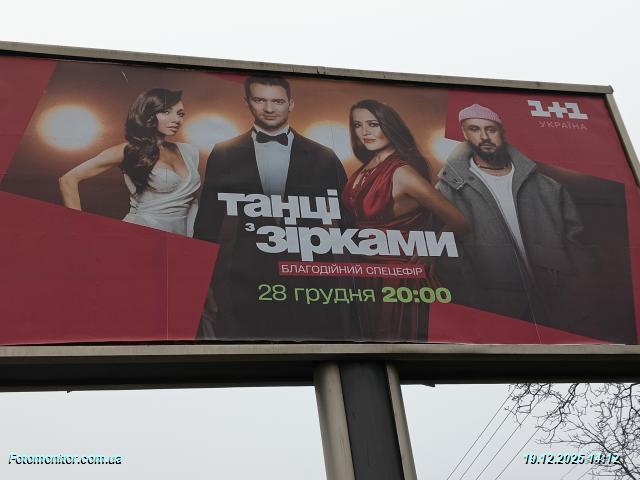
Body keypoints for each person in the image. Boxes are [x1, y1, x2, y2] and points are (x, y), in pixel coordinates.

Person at [194, 75, 349, 340]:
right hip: (246, 276)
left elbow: (349, 221)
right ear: (247, 102)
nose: (269, 108)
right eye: (260, 100)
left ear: (291, 104)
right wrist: (201, 281)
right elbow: (207, 223)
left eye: (277, 101)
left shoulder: (324, 155)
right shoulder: (224, 152)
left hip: (311, 274)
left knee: (318, 346)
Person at [436, 103, 593, 328]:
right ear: (465, 134)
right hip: (494, 309)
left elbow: (578, 248)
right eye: (474, 129)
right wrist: (474, 305)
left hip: (558, 304)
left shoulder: (548, 187)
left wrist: (579, 296)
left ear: (502, 131)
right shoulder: (448, 189)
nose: (484, 136)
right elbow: (447, 255)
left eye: (491, 129)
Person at [342, 99, 470, 341]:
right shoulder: (365, 169)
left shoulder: (401, 172)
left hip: (399, 277)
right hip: (367, 273)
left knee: (395, 343)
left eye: (373, 124)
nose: (365, 132)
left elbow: (459, 221)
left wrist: (430, 250)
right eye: (357, 125)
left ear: (389, 126)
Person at [59, 89, 200, 236]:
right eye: (166, 112)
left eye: (180, 114)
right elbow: (68, 180)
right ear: (149, 114)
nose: (176, 119)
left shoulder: (189, 151)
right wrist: (78, 226)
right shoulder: (128, 150)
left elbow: (191, 202)